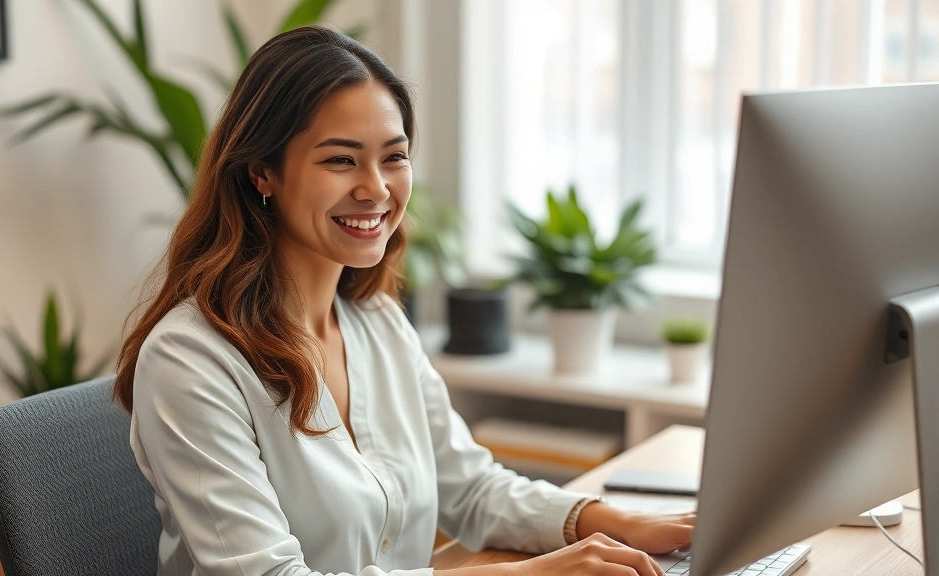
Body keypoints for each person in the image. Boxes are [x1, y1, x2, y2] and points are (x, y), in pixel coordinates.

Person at [114, 26, 694, 576]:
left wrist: (618, 523)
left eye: (394, 156)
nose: (377, 188)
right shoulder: (189, 361)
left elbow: (469, 488)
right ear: (262, 171)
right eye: (340, 159)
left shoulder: (377, 321)